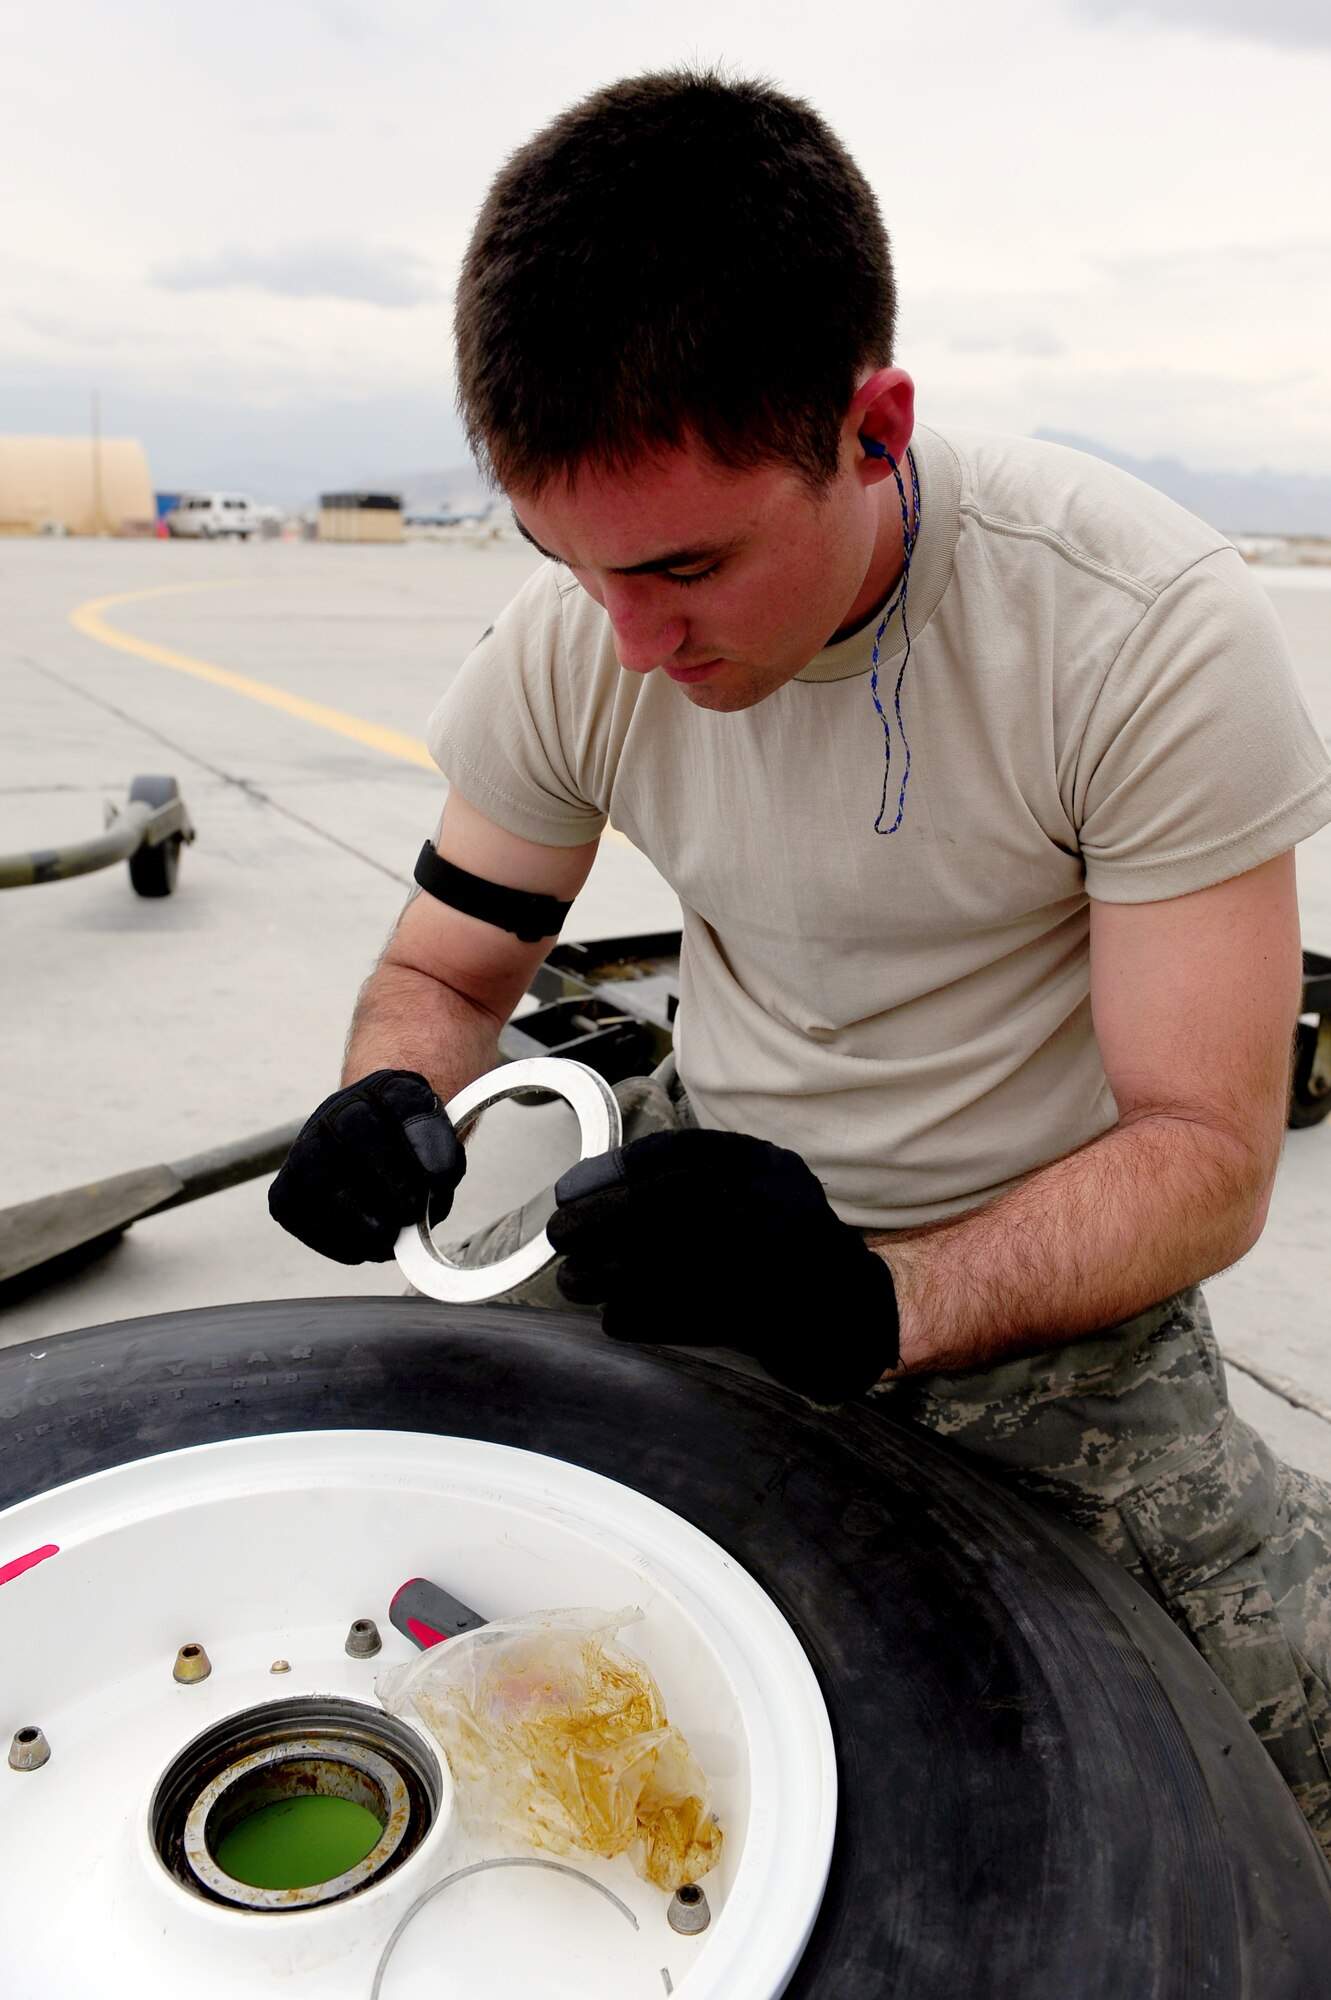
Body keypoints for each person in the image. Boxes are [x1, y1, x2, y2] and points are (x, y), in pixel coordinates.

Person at [270, 69, 1331, 1849]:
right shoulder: (585, 637)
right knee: (392, 1548)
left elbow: (1205, 1161)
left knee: (1275, 1742)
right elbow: (450, 976)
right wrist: (386, 1089)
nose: (629, 638)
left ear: (874, 427)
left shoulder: (1137, 631)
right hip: (701, 1209)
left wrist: (875, 1305)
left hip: (1048, 1265)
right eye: (570, 560)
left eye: (684, 564)